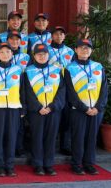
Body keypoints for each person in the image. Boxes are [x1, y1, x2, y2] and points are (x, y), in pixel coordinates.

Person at [64, 39, 108, 175]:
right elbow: (70, 93)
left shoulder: (98, 67)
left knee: (92, 137)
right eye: (81, 48)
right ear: (76, 50)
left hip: (96, 110)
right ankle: (76, 164)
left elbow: (104, 90)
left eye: (88, 48)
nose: (85, 50)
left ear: (91, 51)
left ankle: (89, 163)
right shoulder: (69, 68)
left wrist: (98, 107)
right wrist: (84, 108)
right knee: (78, 137)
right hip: (78, 110)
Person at [0, 42, 26, 177]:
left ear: (12, 54)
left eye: (8, 52)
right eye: (2, 52)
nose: (5, 54)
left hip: (14, 108)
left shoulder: (18, 70)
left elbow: (22, 91)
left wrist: (23, 108)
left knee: (12, 137)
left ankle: (10, 165)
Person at [24, 44, 66, 176]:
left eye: (44, 54)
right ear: (34, 56)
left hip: (53, 111)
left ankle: (48, 164)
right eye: (39, 54)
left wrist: (52, 107)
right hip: (36, 111)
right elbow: (27, 92)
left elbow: (62, 91)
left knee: (51, 137)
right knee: (37, 137)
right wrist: (38, 107)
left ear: (48, 55)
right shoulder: (27, 71)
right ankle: (38, 164)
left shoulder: (57, 70)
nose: (42, 56)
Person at [47, 26, 74, 156]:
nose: (59, 36)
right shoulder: (45, 50)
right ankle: (50, 143)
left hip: (67, 87)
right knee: (52, 114)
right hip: (51, 87)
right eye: (56, 34)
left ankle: (65, 144)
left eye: (61, 34)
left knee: (66, 116)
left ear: (64, 36)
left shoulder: (70, 51)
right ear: (51, 36)